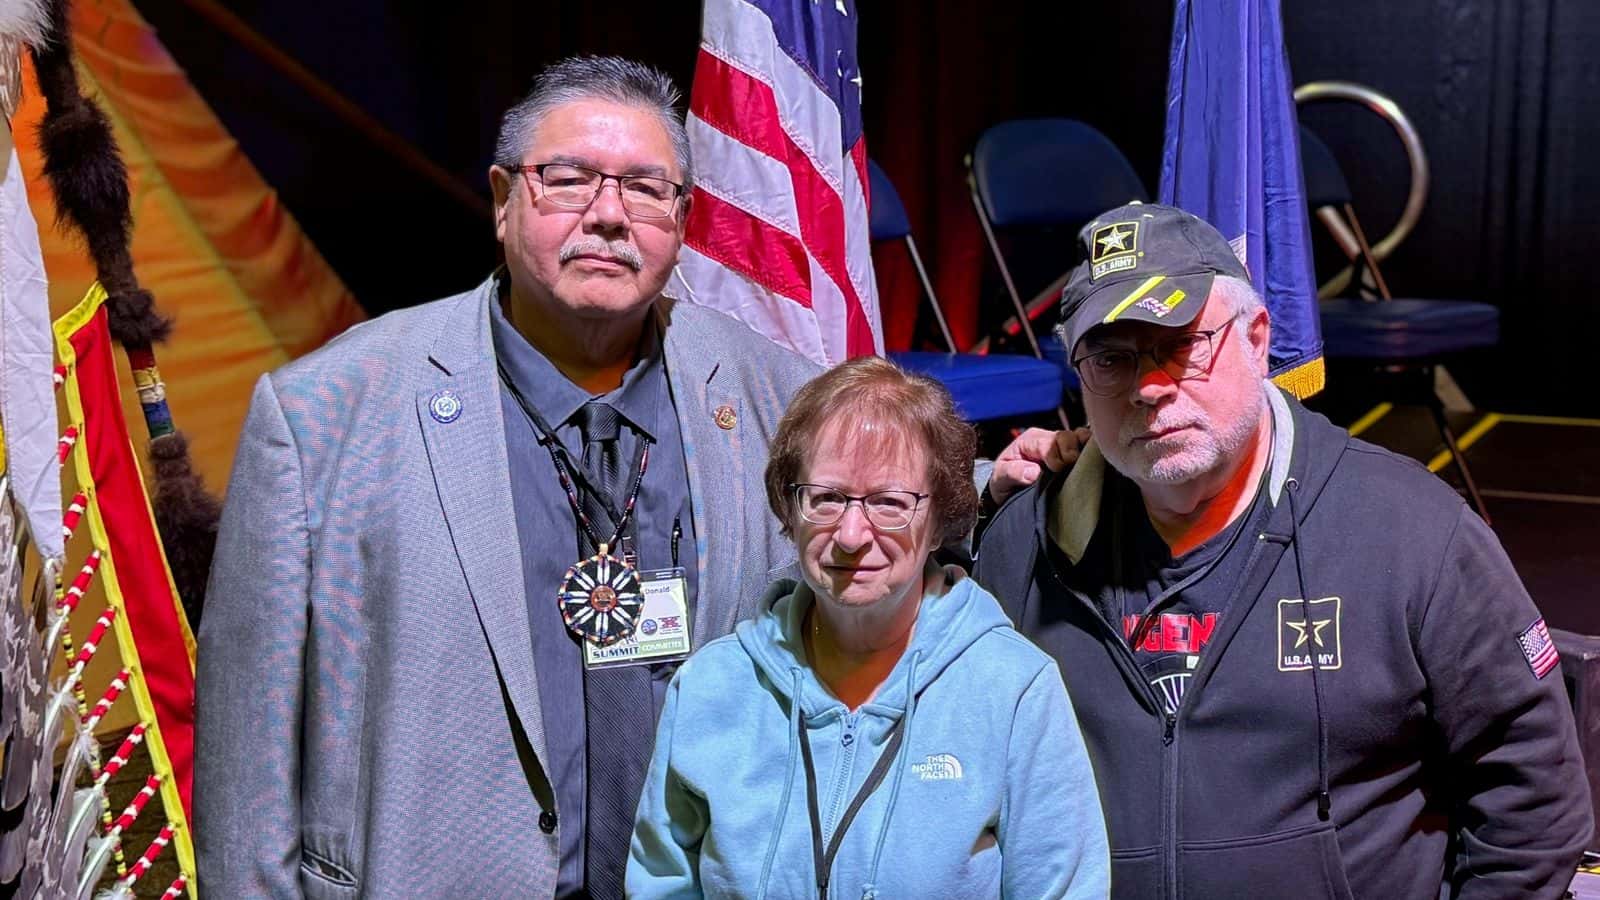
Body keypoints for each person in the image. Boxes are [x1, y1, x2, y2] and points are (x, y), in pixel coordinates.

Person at [195, 56, 1061, 898]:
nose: (609, 216)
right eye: (567, 178)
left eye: (646, 189)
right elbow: (247, 764)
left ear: (682, 224)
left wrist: (992, 484)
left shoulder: (761, 389)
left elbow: (875, 492)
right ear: (502, 201)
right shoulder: (323, 417)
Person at [974, 202, 1592, 899]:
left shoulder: (1411, 533)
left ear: (1258, 339)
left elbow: (1534, 796)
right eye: (1113, 358)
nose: (1148, 387)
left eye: (1181, 344)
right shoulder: (1020, 546)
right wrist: (977, 496)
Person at [627, 356, 1109, 899]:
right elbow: (660, 884)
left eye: (888, 502)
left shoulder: (1014, 689)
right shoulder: (711, 688)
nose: (852, 534)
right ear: (790, 508)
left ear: (939, 520)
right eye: (827, 498)